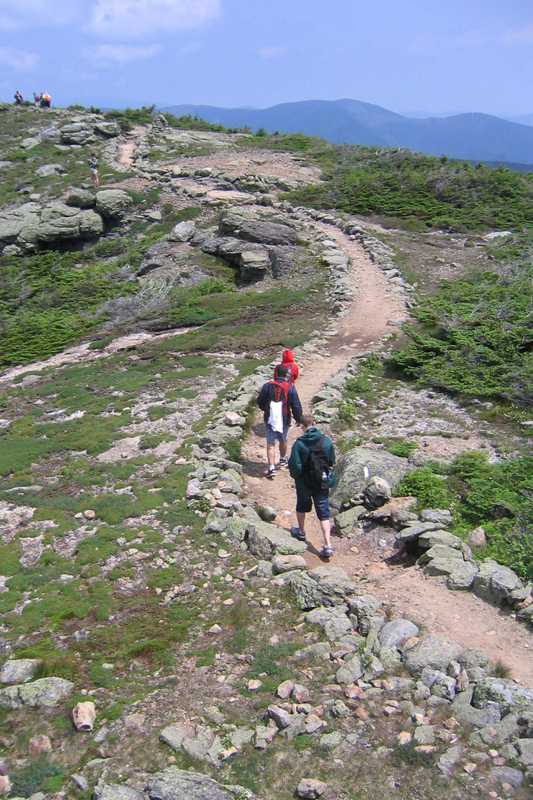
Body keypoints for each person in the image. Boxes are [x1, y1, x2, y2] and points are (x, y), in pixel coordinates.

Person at [288, 413, 336, 558]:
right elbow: (331, 460)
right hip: (322, 481)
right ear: (314, 423)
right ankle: (327, 544)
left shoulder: (299, 443)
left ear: (302, 425)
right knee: (323, 511)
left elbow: (294, 465)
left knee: (302, 505)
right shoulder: (326, 441)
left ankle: (301, 532)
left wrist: (297, 476)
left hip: (304, 482)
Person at [257, 364, 302, 479]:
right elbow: (296, 405)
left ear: (276, 373)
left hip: (270, 418)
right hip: (284, 417)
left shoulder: (268, 386)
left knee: (270, 443)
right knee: (283, 439)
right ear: (287, 374)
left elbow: (259, 400)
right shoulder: (290, 387)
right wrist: (298, 418)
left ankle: (271, 467)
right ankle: (282, 458)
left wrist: (265, 409)